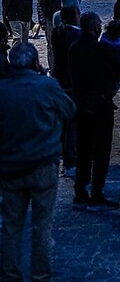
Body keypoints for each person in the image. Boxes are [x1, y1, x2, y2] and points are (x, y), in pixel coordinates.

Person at [0, 42, 75, 282]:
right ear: (36, 63)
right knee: (42, 227)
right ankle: (41, 276)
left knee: (11, 227)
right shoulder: (46, 86)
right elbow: (69, 110)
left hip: (10, 166)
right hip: (43, 163)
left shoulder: (2, 90)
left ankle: (10, 275)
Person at [68, 13, 120, 209]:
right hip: (100, 104)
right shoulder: (102, 49)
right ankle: (96, 193)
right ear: (95, 28)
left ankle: (80, 191)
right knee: (101, 151)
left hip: (81, 103)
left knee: (84, 149)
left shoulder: (74, 48)